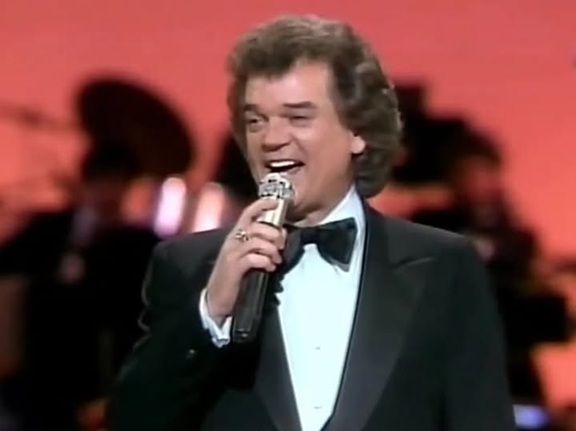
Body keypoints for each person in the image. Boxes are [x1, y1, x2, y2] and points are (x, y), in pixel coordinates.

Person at [108, 15, 515, 431]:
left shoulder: (443, 266)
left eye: (297, 117)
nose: (271, 140)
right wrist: (211, 313)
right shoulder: (188, 265)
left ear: (357, 131)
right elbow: (133, 420)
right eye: (255, 120)